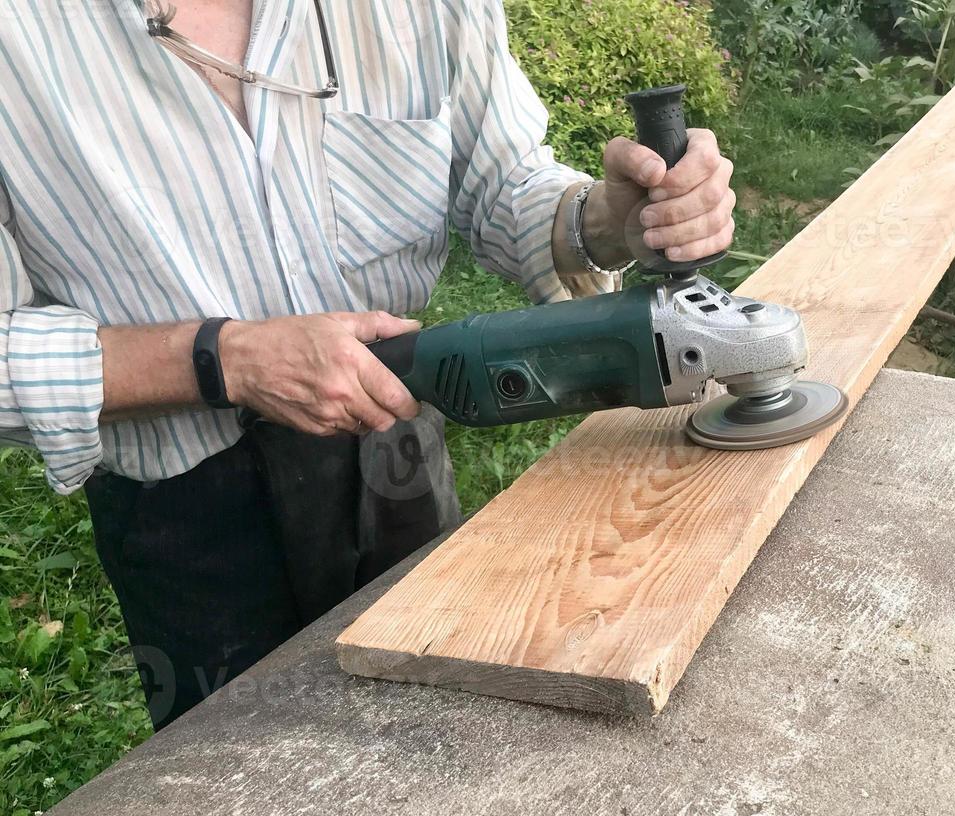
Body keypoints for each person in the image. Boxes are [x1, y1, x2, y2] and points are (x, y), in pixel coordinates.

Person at [0, 0, 736, 728]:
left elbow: (506, 185)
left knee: (447, 733)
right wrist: (224, 358)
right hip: (184, 511)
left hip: (395, 451)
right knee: (237, 792)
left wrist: (608, 219)